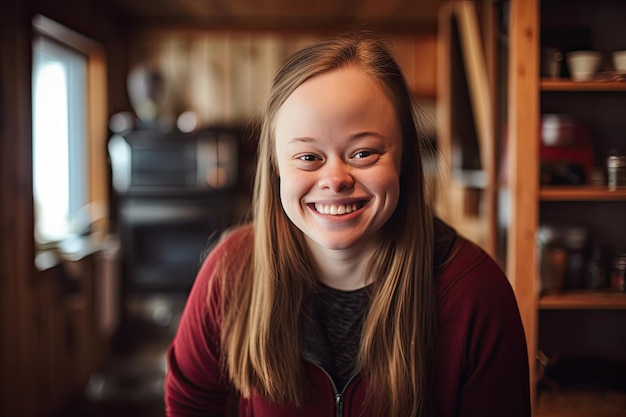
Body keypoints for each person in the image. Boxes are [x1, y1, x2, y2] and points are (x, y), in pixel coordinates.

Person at [164, 31, 531, 417]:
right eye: (307, 157)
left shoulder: (477, 294)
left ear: (405, 158)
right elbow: (190, 404)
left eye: (363, 152)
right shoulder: (230, 272)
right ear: (275, 166)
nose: (335, 178)